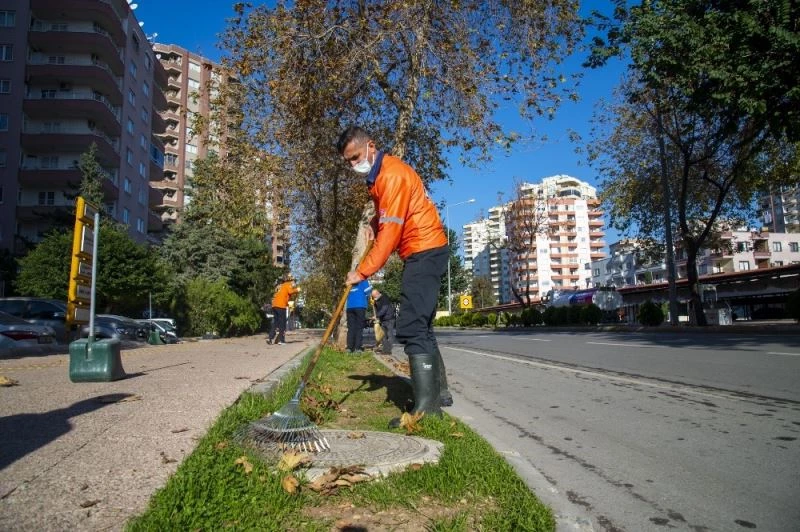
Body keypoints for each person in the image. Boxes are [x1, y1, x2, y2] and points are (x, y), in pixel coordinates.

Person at [337, 125, 452, 426]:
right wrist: (376, 219)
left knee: (411, 326)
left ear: (371, 146)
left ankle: (426, 411)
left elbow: (390, 235)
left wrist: (360, 272)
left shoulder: (391, 175)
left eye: (356, 157)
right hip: (425, 248)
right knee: (422, 326)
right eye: (348, 161)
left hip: (424, 249)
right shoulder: (380, 177)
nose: (353, 165)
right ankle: (439, 393)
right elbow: (387, 216)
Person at [268, 273, 300, 345]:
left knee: (276, 322)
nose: (294, 283)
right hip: (281, 306)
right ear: (291, 280)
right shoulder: (288, 284)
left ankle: (270, 338)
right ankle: (281, 341)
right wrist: (297, 289)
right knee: (282, 323)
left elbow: (285, 294)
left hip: (275, 305)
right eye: (294, 281)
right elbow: (290, 291)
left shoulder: (281, 286)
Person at [346, 279, 372, 353]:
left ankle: (349, 347)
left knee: (351, 328)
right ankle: (357, 348)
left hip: (350, 307)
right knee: (359, 327)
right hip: (360, 306)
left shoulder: (349, 281)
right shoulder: (363, 280)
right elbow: (368, 292)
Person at [371, 288, 396, 355]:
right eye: (372, 296)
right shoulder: (376, 300)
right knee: (382, 335)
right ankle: (385, 350)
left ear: (377, 293)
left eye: (373, 296)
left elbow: (384, 309)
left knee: (389, 335)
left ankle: (388, 350)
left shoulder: (384, 298)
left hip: (389, 319)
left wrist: (377, 316)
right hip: (383, 320)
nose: (373, 297)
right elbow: (376, 310)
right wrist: (373, 304)